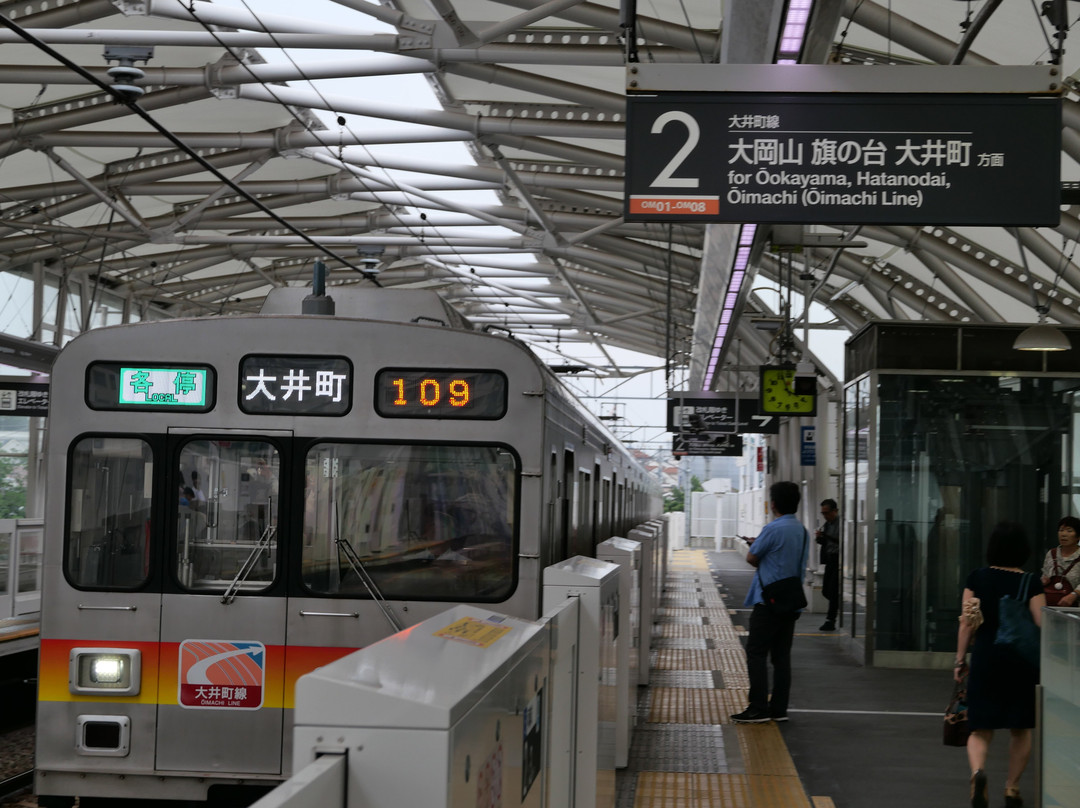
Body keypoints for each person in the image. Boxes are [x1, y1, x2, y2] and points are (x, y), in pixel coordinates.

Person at [954, 521, 1044, 808]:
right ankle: (1012, 788)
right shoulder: (1031, 581)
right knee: (1020, 729)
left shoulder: (977, 578)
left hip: (986, 658)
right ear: (1023, 550)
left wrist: (959, 661)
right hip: (1021, 662)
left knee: (980, 727)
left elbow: (967, 625)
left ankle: (978, 772)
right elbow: (1042, 623)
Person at [730, 480, 810, 724]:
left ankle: (758, 708)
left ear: (773, 504)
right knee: (781, 657)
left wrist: (754, 544)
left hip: (768, 602)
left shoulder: (773, 529)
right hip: (791, 600)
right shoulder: (801, 530)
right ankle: (779, 709)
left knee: (755, 653)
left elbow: (752, 558)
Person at [1039, 515, 1080, 606]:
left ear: (1078, 537)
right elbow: (1044, 576)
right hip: (1049, 606)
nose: (1063, 534)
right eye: (1061, 530)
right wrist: (1043, 580)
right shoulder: (1051, 553)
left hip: (1075, 607)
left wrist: (1074, 594)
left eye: (1069, 531)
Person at [816, 498, 840, 631]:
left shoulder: (840, 523)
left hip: (839, 559)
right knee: (826, 590)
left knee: (833, 590)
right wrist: (820, 538)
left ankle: (831, 619)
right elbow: (825, 542)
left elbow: (842, 540)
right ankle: (835, 604)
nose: (825, 516)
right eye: (823, 513)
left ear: (835, 511)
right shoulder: (827, 524)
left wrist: (826, 536)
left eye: (827, 512)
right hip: (830, 559)